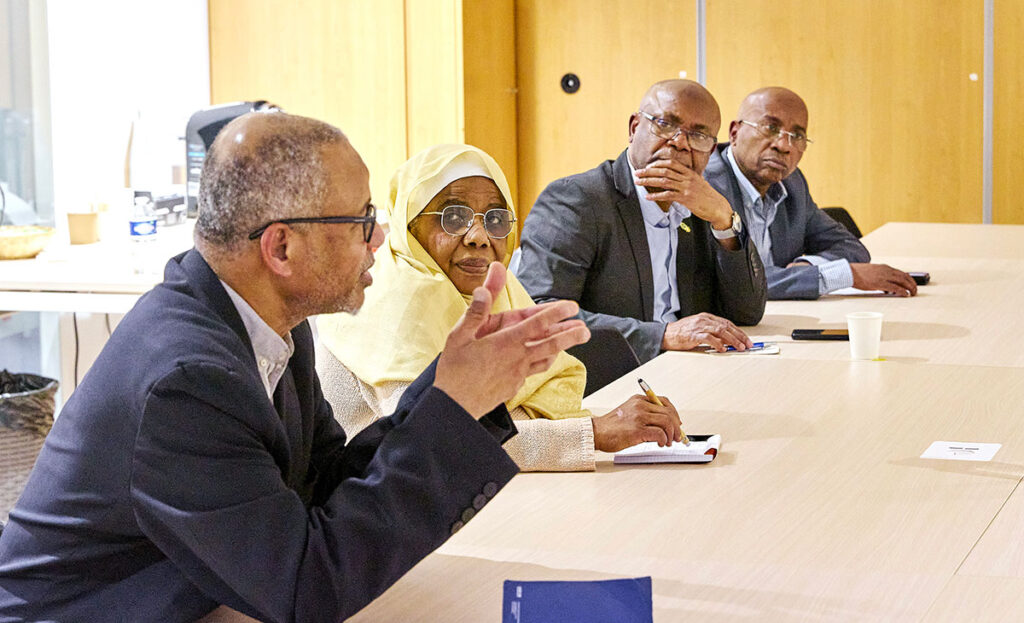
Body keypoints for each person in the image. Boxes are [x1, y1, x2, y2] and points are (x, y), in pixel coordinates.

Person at [0, 113, 590, 622]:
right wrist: (453, 409)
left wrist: (450, 393)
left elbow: (323, 485)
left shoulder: (270, 324)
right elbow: (306, 588)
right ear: (281, 248)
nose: (380, 238)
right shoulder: (187, 379)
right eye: (361, 221)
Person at [317, 144, 683, 473]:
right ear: (408, 227)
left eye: (495, 219)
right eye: (453, 217)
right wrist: (595, 431)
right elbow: (438, 443)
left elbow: (520, 407)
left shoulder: (496, 287)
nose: (479, 237)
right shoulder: (395, 303)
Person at [516, 79, 767, 364]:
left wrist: (725, 220)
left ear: (710, 152)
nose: (680, 143)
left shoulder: (705, 206)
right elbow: (539, 315)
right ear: (634, 128)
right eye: (665, 124)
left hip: (691, 368)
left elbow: (746, 313)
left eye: (698, 135)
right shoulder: (577, 200)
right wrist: (663, 335)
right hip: (611, 379)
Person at [703, 86, 918, 299]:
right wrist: (840, 275)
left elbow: (850, 247)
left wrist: (805, 267)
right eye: (770, 127)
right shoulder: (706, 187)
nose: (784, 146)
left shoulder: (792, 184)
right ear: (734, 133)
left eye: (797, 136)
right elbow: (732, 282)